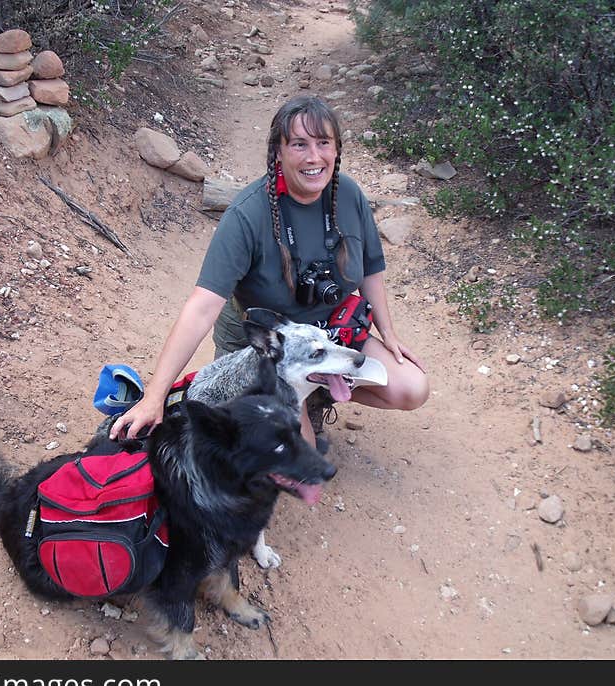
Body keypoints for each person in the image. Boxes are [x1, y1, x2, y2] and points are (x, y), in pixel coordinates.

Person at [110, 95, 428, 445]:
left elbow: (370, 270)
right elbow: (202, 308)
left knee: (412, 388)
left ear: (336, 149)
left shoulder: (348, 195)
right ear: (278, 151)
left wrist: (388, 333)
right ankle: (294, 399)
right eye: (299, 145)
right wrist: (155, 395)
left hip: (328, 332)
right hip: (265, 345)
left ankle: (316, 392)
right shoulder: (248, 214)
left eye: (324, 143)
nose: (314, 157)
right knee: (297, 453)